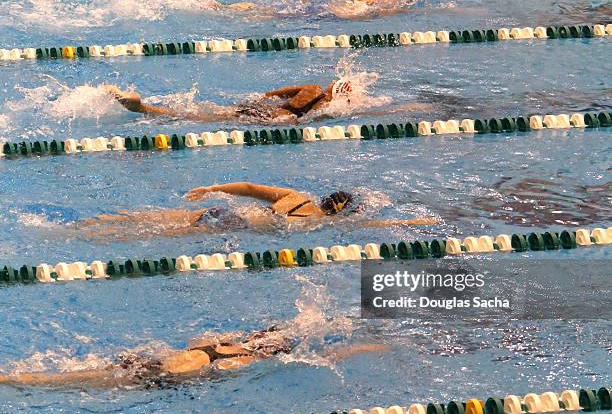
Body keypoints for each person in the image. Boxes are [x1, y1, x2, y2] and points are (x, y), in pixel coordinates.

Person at [0, 325, 388, 389]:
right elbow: (327, 354)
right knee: (63, 382)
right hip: (157, 379)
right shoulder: (242, 361)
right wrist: (367, 348)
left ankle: (12, 378)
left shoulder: (216, 343)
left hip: (150, 362)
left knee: (65, 376)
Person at [77, 181, 436, 237]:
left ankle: (82, 226)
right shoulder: (320, 223)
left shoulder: (295, 196)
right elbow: (370, 226)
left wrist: (211, 188)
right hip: (234, 225)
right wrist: (413, 220)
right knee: (153, 236)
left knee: (145, 219)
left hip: (221, 209)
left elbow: (248, 187)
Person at [103, 81, 430, 124]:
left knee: (201, 112)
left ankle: (145, 107)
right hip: (273, 120)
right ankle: (142, 109)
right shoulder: (325, 107)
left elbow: (274, 94)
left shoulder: (313, 88)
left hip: (260, 108)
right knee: (199, 119)